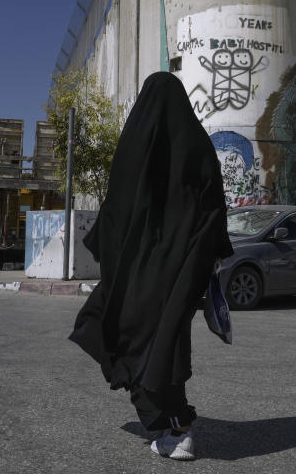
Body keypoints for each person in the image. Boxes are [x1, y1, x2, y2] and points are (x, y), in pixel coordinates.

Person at [69, 71, 234, 462]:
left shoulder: (134, 146)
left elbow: (115, 209)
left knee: (114, 329)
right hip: (178, 272)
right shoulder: (197, 145)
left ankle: (175, 429)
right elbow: (213, 212)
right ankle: (173, 425)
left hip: (134, 272)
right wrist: (203, 258)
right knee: (164, 345)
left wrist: (110, 251)